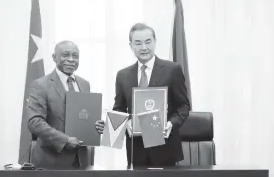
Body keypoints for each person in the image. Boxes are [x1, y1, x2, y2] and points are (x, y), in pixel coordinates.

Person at [96, 23, 190, 168]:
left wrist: (170, 124)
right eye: (138, 43)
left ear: (155, 42)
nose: (144, 47)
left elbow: (183, 106)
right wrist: (126, 123)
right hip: (136, 149)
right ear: (131, 46)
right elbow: (119, 109)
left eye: (148, 42)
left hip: (165, 147)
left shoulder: (173, 70)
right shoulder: (123, 76)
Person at [26, 40, 102, 169]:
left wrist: (97, 125)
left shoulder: (84, 84)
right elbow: (34, 122)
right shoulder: (40, 85)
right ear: (54, 57)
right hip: (50, 163)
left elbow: (84, 116)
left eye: (75, 56)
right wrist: (64, 140)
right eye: (65, 55)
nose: (71, 59)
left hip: (81, 163)